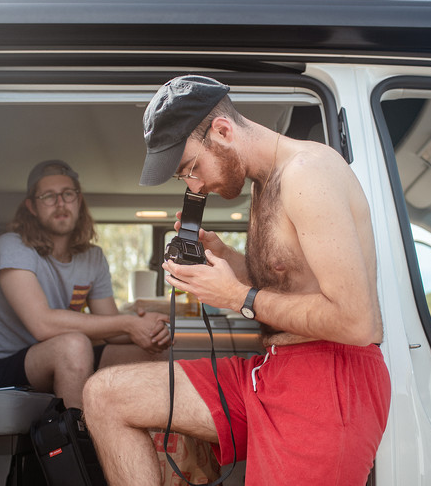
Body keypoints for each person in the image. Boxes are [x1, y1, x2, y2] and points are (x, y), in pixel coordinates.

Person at [82, 76, 391, 485]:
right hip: (270, 371)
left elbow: (356, 322)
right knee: (105, 396)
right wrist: (227, 259)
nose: (194, 186)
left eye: (190, 168)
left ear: (223, 132)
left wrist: (237, 296)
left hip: (329, 381)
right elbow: (292, 283)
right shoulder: (264, 184)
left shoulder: (307, 174)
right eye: (184, 178)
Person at [0, 159, 172, 409]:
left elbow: (111, 327)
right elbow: (42, 325)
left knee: (149, 354)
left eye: (68, 194)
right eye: (48, 196)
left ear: (79, 201)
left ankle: (133, 439)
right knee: (74, 344)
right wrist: (129, 323)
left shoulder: (93, 257)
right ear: (31, 207)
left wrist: (147, 329)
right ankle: (77, 444)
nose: (60, 203)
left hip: (63, 356)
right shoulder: (12, 246)